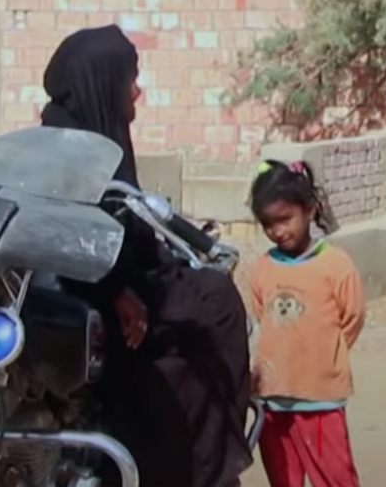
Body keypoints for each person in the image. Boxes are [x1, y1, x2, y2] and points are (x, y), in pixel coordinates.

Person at [40, 24, 254, 487]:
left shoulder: (76, 129)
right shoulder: (69, 148)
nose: (136, 92)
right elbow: (72, 228)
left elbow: (121, 216)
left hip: (102, 277)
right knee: (215, 305)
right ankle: (196, 464)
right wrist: (117, 290)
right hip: (84, 285)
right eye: (128, 79)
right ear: (101, 80)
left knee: (205, 290)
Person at [249, 159, 365, 487]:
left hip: (320, 398)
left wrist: (323, 357)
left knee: (335, 478)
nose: (278, 231)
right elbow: (264, 316)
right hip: (272, 397)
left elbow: (352, 318)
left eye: (285, 220)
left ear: (310, 211)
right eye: (268, 224)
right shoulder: (263, 267)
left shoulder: (336, 265)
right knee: (282, 478)